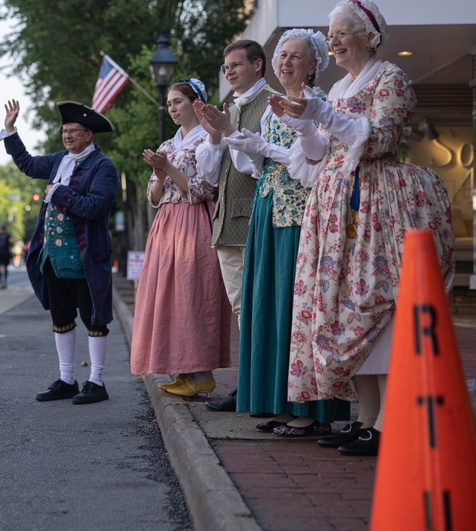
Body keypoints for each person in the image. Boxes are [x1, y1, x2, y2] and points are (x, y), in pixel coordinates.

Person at [273, 0, 455, 455]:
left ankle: (391, 421)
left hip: (377, 205)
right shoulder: (335, 89)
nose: (331, 41)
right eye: (329, 33)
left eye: (340, 32)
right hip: (337, 206)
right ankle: (367, 418)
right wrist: (301, 122)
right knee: (346, 309)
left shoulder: (392, 78)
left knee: (375, 305)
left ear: (369, 36)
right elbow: (320, 157)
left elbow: (379, 140)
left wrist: (320, 115)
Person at [199, 30, 348, 434]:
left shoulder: (316, 105)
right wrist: (233, 134)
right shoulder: (270, 108)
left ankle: (312, 412)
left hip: (299, 214)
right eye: (282, 55)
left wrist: (256, 145)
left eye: (295, 57)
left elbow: (310, 166)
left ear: (314, 65)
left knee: (295, 308)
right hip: (269, 208)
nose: (285, 63)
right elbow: (254, 167)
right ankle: (282, 402)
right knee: (269, 305)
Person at [0, 99, 119, 405]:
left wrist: (61, 193)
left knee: (93, 318)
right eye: (64, 131)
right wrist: (11, 130)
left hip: (85, 255)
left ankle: (96, 382)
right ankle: (67, 379)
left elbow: (95, 207)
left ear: (88, 135)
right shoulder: (58, 160)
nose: (67, 136)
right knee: (61, 317)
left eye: (73, 131)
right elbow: (26, 164)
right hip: (53, 254)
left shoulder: (103, 166)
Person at [129, 80, 231, 396]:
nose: (173, 108)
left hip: (193, 220)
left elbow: (203, 189)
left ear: (195, 102)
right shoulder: (168, 145)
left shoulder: (208, 141)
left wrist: (168, 169)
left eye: (178, 102)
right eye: (170, 103)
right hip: (167, 222)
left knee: (192, 295)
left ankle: (202, 374)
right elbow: (153, 196)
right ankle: (183, 370)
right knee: (168, 297)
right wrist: (160, 174)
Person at [194, 39, 278, 413]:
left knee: (259, 306)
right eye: (225, 66)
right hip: (228, 221)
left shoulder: (271, 103)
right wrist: (215, 135)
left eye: (236, 65)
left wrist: (228, 132)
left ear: (257, 65)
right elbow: (211, 176)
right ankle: (250, 385)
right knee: (243, 307)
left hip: (259, 219)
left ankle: (255, 386)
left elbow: (260, 167)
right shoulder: (230, 107)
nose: (228, 72)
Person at [0, 225, 13, 290]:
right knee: (1, 268)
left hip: (4, 254)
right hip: (1, 254)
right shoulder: (2, 236)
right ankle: (2, 281)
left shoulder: (5, 236)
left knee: (3, 268)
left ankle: (3, 281)